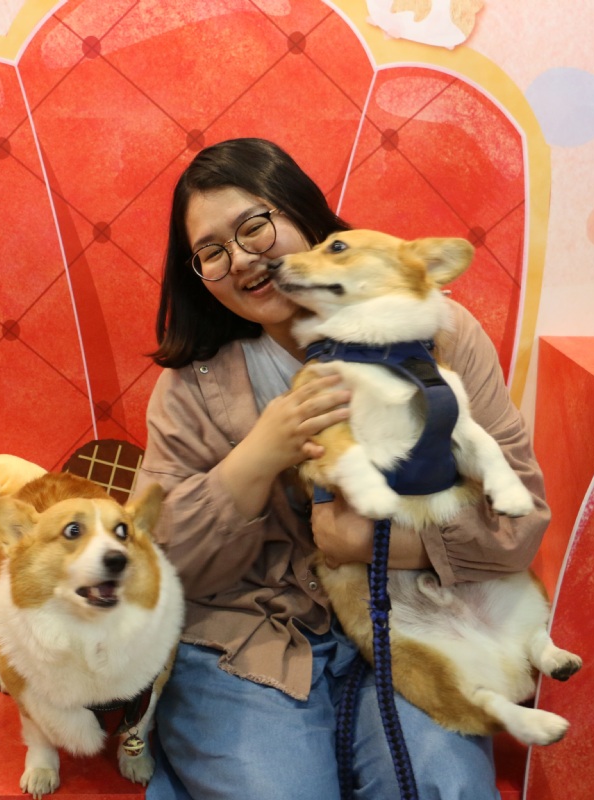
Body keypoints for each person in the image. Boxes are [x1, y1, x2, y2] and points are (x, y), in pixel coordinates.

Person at [133, 137, 550, 800]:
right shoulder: (192, 388)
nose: (240, 258)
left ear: (303, 213)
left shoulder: (439, 334)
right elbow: (154, 562)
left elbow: (520, 520)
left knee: (445, 787)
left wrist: (376, 544)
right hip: (251, 637)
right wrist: (258, 456)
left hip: (413, 622)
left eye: (253, 226)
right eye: (211, 251)